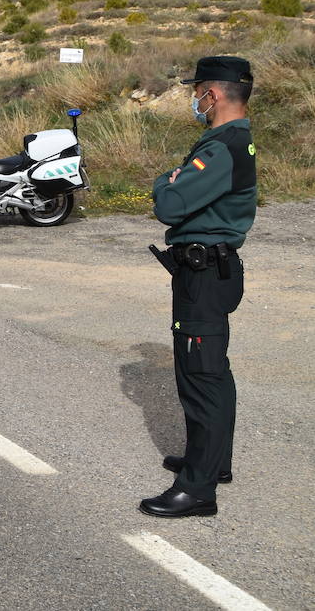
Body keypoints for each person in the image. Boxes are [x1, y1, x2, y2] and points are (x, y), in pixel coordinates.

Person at [140, 56, 256, 517]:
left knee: (201, 377)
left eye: (198, 91)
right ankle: (211, 461)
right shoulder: (232, 142)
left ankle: (197, 489)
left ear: (213, 93)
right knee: (212, 372)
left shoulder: (222, 145)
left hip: (205, 274)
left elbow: (169, 203)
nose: (195, 99)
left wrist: (162, 181)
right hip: (210, 270)